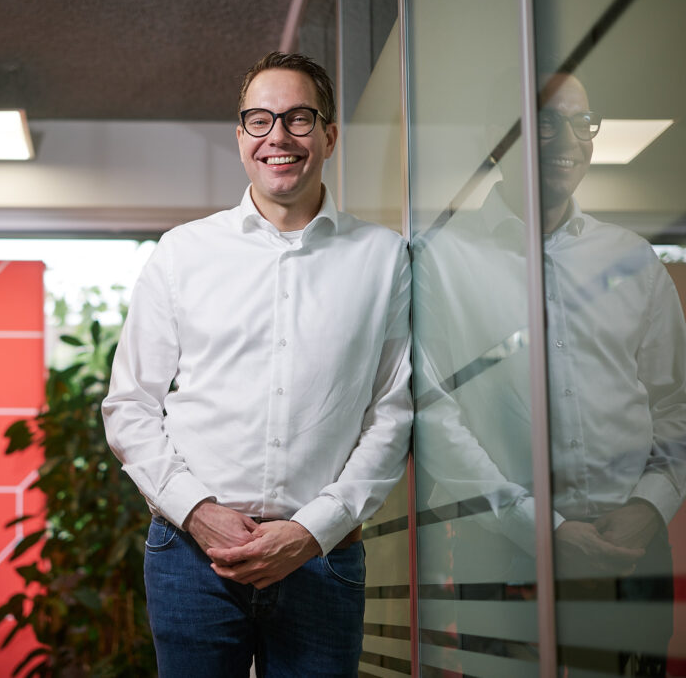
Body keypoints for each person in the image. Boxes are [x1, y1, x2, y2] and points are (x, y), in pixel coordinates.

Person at [101, 51, 412, 677]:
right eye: (260, 120)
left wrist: (313, 529)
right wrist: (199, 513)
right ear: (241, 136)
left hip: (320, 556)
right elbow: (130, 406)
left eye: (299, 118)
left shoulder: (383, 258)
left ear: (329, 135)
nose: (279, 136)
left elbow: (392, 414)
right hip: (193, 555)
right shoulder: (182, 253)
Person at [414, 71, 686, 675]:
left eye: (582, 123)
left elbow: (677, 403)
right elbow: (434, 419)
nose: (568, 139)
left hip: (631, 546)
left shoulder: (634, 260)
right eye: (545, 122)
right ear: (499, 138)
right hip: (502, 552)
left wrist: (650, 507)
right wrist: (539, 528)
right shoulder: (441, 260)